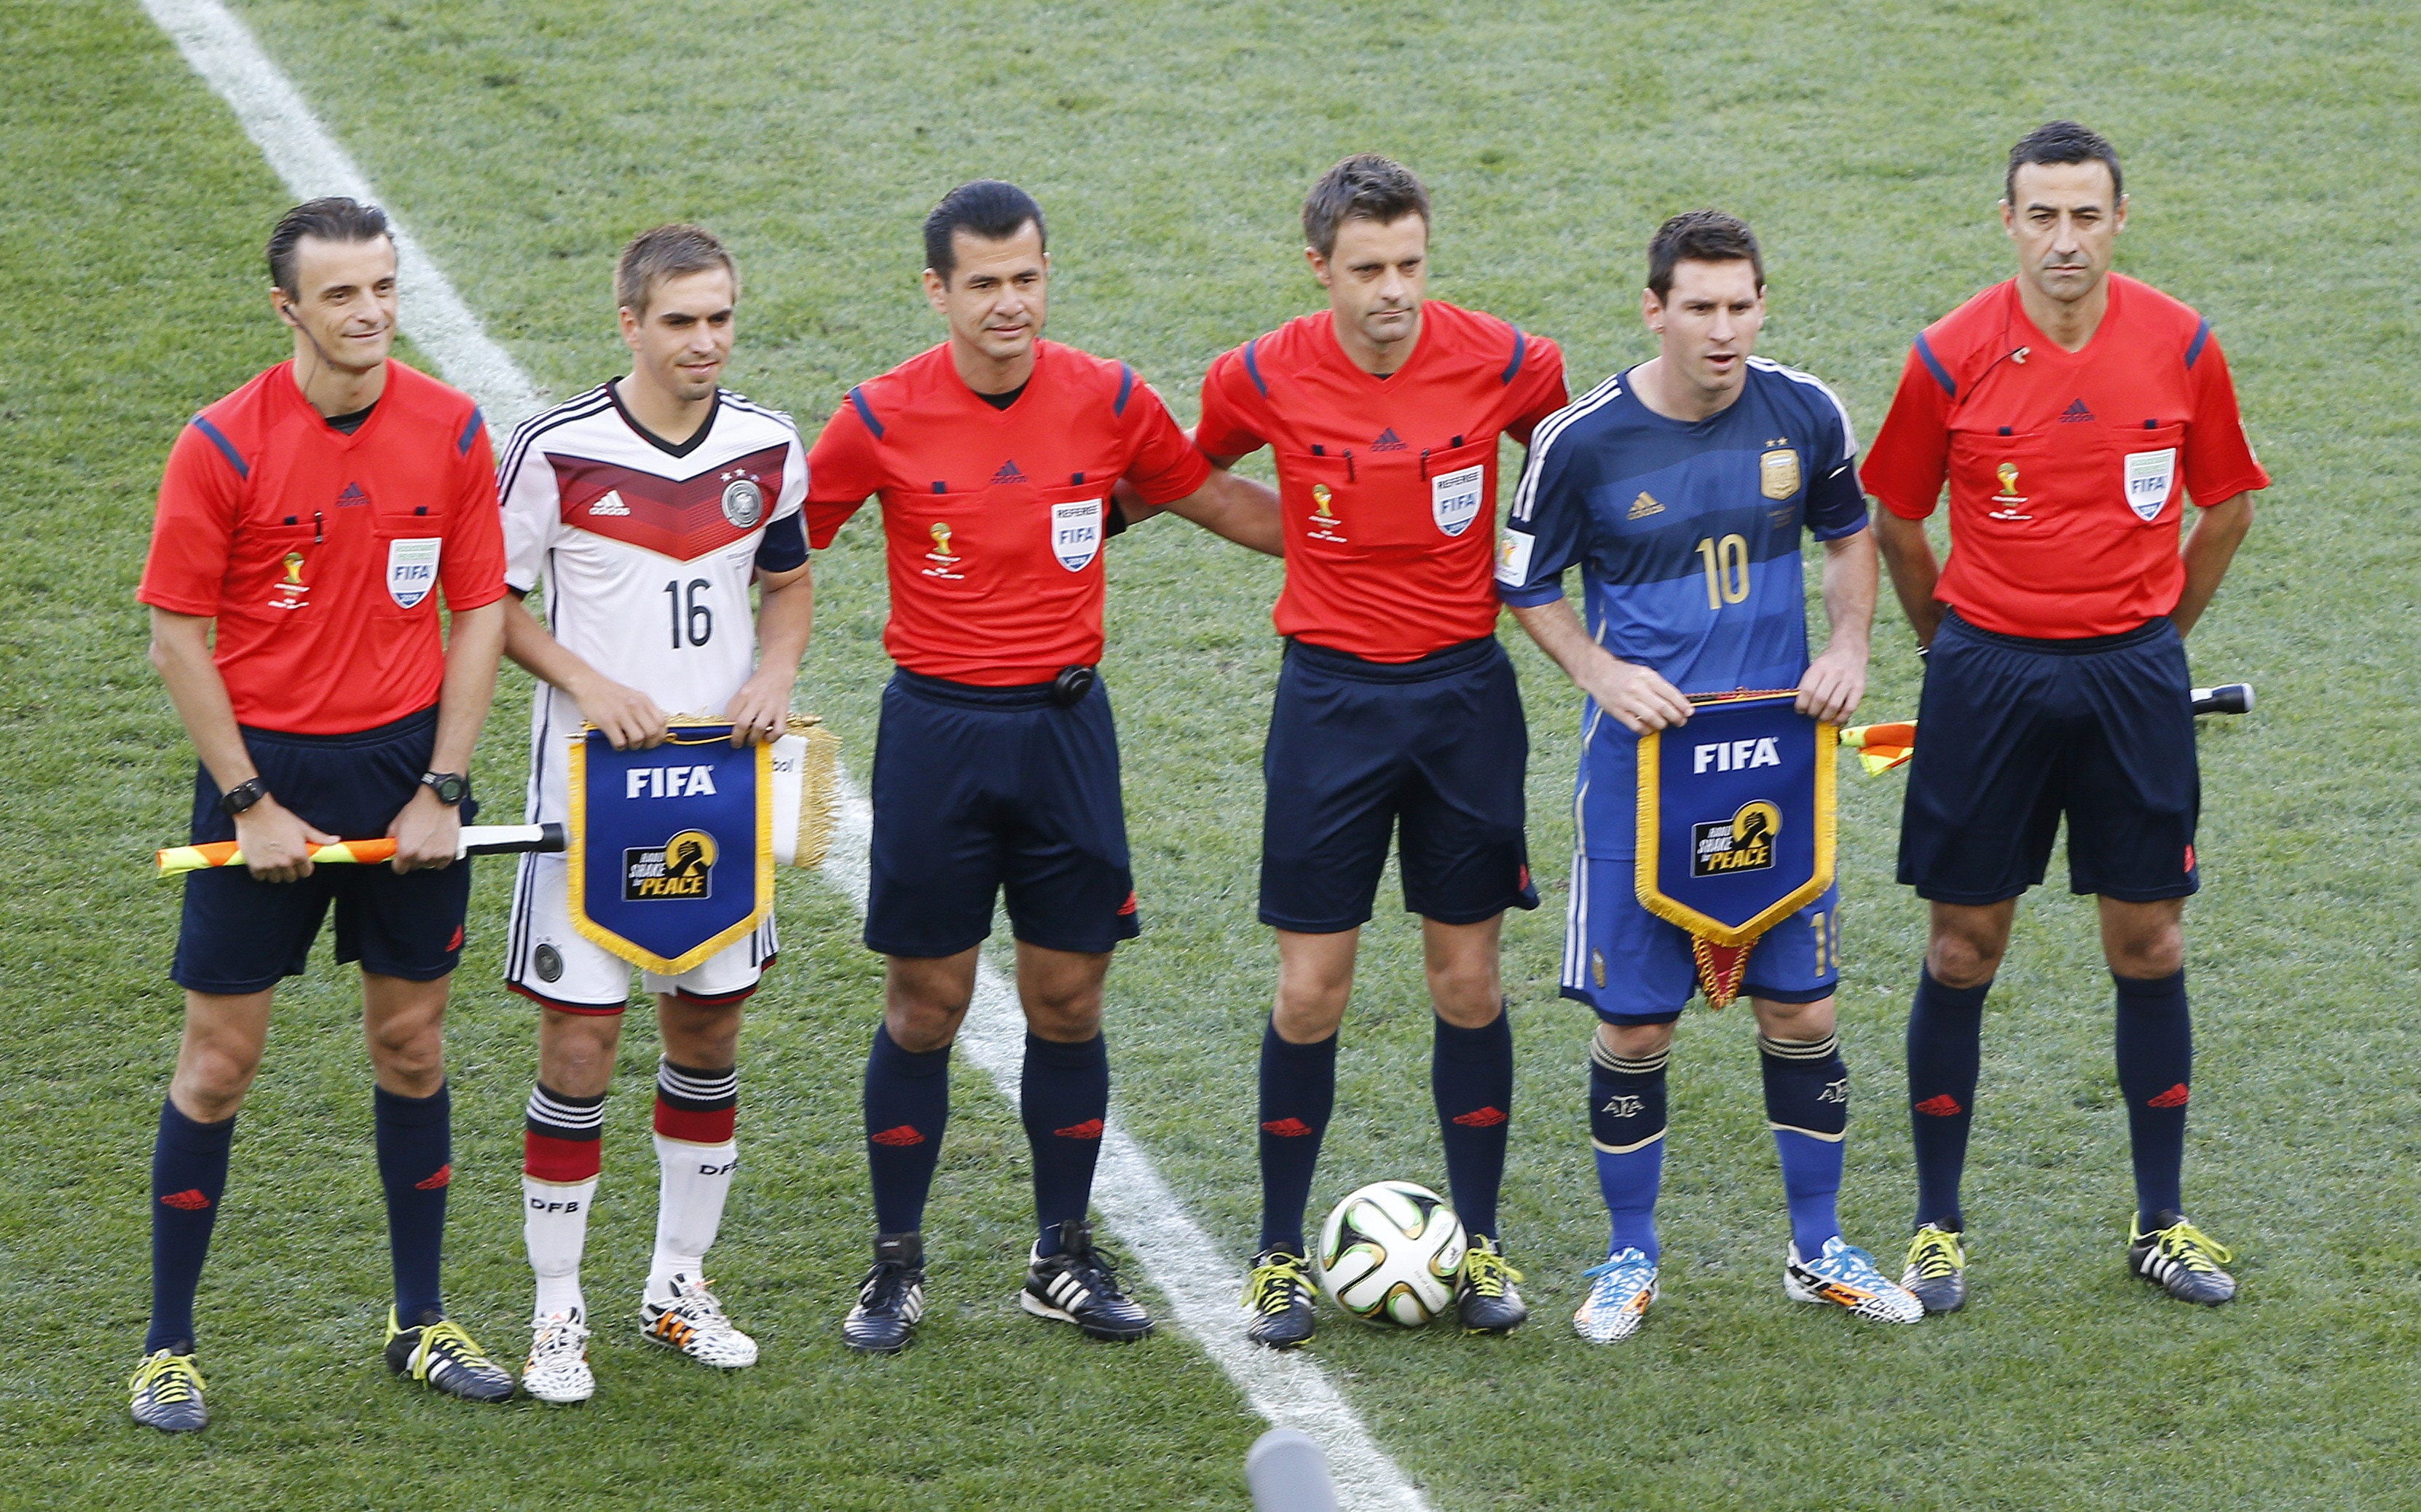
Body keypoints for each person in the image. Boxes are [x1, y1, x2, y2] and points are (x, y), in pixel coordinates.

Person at [805, 181, 1280, 1353]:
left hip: (1067, 734)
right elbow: (782, 546)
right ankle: (896, 1264)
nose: (1009, 303)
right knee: (928, 1004)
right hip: (938, 737)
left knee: (1069, 999)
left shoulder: (1109, 397)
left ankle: (1059, 1253)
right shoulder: (877, 415)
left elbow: (1209, 496)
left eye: (1027, 278)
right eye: (984, 284)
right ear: (938, 291)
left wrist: (1369, 530)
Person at [1497, 210, 1924, 1343]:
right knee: (1637, 1028)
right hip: (1641, 777)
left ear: (1761, 304)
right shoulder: (1582, 442)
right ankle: (1629, 1258)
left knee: (1804, 1004)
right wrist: (1599, 670)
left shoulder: (1807, 410)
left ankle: (1819, 1248)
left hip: (1780, 770)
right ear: (1654, 309)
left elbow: (1847, 538)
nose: (1724, 330)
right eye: (1700, 307)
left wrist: (1848, 650)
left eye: (1741, 305)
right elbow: (1527, 584)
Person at [1862, 122, 2267, 1310]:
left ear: (2119, 220)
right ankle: (1937, 1228)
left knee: (2150, 944)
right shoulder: (1949, 355)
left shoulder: (2182, 344)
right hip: (1988, 677)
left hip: (2131, 678)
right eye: (2042, 216)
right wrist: (1950, 648)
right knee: (1960, 948)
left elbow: (2228, 507)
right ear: (2008, 224)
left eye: (2086, 215)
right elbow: (1897, 515)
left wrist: (2156, 643)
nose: (2064, 240)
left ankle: (2161, 1221)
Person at [129, 197, 513, 1430]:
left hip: (407, 772)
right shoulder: (223, 446)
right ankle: (168, 1347)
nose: (371, 314)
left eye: (384, 288)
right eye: (342, 295)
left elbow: (480, 613)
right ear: (288, 307)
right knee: (219, 1064)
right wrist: (249, 803)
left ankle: (419, 1320)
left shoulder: (450, 428)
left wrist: (444, 787)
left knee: (412, 1046)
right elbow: (176, 636)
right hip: (268, 778)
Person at [1181, 154, 1567, 1347]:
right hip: (1331, 706)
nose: (1393, 290)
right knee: (1312, 989)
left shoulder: (1511, 361)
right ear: (1320, 271)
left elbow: (1568, 478)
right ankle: (1280, 1255)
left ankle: (1486, 1239)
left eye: (1410, 263)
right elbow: (1192, 474)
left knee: (1469, 982)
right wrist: (1305, 543)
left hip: (1464, 702)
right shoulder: (1258, 373)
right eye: (1368, 270)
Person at [494, 225, 813, 1402]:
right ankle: (555, 1312)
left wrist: (777, 672)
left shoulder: (769, 443)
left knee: (710, 1032)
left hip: (719, 791)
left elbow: (787, 579)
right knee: (581, 1049)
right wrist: (587, 683)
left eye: (720, 317)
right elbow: (491, 603)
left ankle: (677, 1285)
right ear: (629, 323)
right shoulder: (555, 450)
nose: (705, 341)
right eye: (680, 320)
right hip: (594, 797)